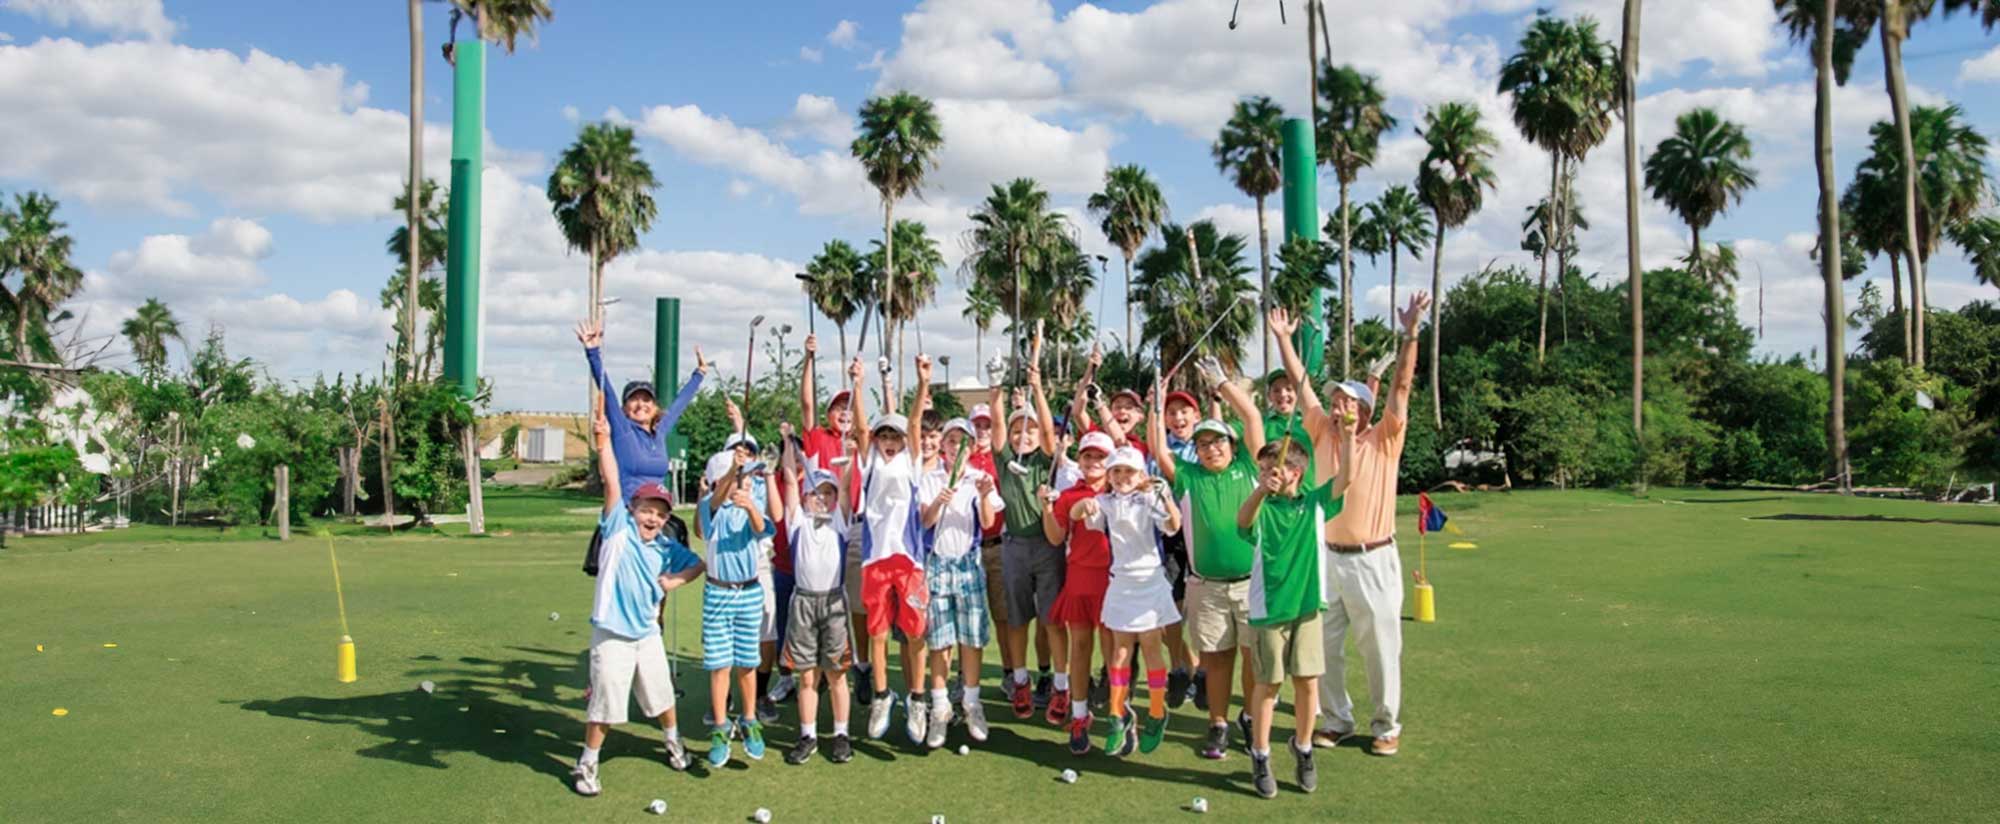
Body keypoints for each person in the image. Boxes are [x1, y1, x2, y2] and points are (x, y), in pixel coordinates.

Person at [1276, 294, 1430, 759]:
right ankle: (1338, 719)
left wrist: (1410, 334)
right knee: (1324, 646)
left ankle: (1386, 724)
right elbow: (1302, 386)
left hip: (1373, 557)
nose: (1338, 403)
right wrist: (1284, 339)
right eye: (1335, 398)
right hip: (1325, 556)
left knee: (1381, 647)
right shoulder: (1321, 431)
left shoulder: (1383, 439)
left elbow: (1401, 388)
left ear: (1364, 409)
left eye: (1347, 399)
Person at [572, 405, 706, 797]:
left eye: (660, 513)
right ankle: (588, 763)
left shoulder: (665, 546)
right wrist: (603, 442)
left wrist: (675, 580)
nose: (653, 518)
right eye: (647, 510)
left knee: (661, 694)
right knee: (606, 705)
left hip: (647, 634)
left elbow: (697, 563)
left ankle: (672, 741)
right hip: (612, 633)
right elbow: (613, 481)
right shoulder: (617, 529)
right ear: (634, 510)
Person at [1149, 374, 1268, 760]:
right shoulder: (1189, 477)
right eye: (1202, 443)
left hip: (1251, 583)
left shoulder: (1250, 467)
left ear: (1231, 445)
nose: (1210, 448)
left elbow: (1251, 417)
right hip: (1207, 585)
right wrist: (1158, 402)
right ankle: (1218, 724)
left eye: (1217, 441)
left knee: (1253, 658)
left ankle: (1249, 717)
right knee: (1217, 661)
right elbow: (1158, 448)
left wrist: (1220, 383)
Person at [1234, 424, 1353, 800]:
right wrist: (1259, 490)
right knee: (1268, 685)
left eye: (1276, 468)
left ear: (1296, 472)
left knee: (1307, 682)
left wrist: (1348, 435)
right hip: (1269, 610)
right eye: (1263, 469)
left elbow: (1347, 477)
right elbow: (1242, 523)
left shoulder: (1315, 502)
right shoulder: (1261, 506)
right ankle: (1261, 754)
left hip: (1307, 608)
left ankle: (1303, 748)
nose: (1268, 474)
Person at [1075, 446, 1183, 757]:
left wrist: (1164, 496)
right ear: (1109, 475)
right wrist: (1083, 506)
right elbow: (1076, 515)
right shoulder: (1104, 502)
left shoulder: (1150, 498)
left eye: (1129, 472)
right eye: (1117, 471)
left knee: (1150, 648)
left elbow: (1173, 526)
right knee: (1119, 653)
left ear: (1141, 476)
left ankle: (1157, 713)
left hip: (1149, 582)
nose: (1123, 477)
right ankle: (1117, 715)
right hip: (1120, 583)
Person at [576, 320, 708, 568]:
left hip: (656, 516)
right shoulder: (624, 431)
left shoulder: (659, 433)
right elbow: (609, 392)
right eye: (634, 400)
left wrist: (699, 375)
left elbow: (679, 405)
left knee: (660, 582)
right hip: (627, 516)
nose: (640, 405)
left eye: (646, 400)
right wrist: (593, 352)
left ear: (655, 406)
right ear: (625, 409)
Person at [851, 354, 935, 747]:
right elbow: (861, 426)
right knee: (879, 633)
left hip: (910, 561)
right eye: (885, 436)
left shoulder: (912, 461)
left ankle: (917, 699)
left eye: (895, 437)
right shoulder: (870, 460)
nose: (889, 442)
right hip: (875, 561)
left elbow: (916, 422)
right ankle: (883, 697)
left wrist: (922, 383)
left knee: (916, 634)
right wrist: (857, 382)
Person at [917, 417, 1004, 748]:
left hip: (969, 565)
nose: (957, 447)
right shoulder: (930, 478)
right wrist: (940, 499)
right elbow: (925, 521)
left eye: (963, 442)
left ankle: (971, 702)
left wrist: (982, 495)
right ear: (943, 446)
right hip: (937, 565)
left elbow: (988, 521)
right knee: (939, 640)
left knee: (971, 637)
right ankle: (939, 706)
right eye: (952, 441)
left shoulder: (980, 478)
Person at [773, 430, 857, 766]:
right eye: (815, 493)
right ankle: (807, 734)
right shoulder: (798, 522)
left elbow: (849, 488)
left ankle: (840, 734)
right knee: (806, 674)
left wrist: (849, 462)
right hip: (803, 603)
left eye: (828, 493)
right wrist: (789, 445)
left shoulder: (840, 521)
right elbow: (791, 484)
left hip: (834, 603)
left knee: (836, 673)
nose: (821, 499)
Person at [990, 366, 1067, 722]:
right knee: (1018, 619)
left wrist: (1037, 389)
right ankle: (1020, 680)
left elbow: (1051, 430)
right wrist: (997, 391)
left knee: (1052, 620)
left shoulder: (1045, 459)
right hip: (1014, 547)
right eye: (1018, 429)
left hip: (1047, 546)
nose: (1024, 435)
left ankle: (1061, 687)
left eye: (1030, 429)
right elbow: (998, 428)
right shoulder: (1005, 461)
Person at [697, 426, 776, 768]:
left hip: (749, 592)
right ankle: (719, 727)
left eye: (744, 480)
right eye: (733, 480)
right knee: (719, 666)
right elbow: (712, 506)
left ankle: (749, 721)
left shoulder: (750, 505)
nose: (740, 486)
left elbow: (763, 529)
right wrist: (733, 471)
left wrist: (749, 505)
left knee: (748, 663)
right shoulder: (709, 507)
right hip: (717, 593)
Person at [1044, 429, 1119, 756]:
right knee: (1080, 647)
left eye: (1100, 457)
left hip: (1115, 580)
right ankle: (1078, 715)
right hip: (1080, 578)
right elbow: (1055, 538)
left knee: (1113, 650)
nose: (1092, 462)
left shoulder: (1122, 490)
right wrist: (1047, 508)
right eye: (1087, 455)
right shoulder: (1069, 494)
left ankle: (1119, 716)